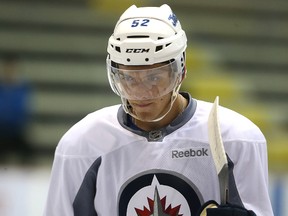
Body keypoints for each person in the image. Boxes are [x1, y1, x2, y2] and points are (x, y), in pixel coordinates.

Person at [43, 4, 274, 216]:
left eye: (154, 77)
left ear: (181, 71)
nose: (141, 92)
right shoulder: (81, 144)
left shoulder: (236, 137)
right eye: (128, 78)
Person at [0, 55, 32, 161]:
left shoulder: (22, 88)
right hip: (2, 131)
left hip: (17, 131)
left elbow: (23, 110)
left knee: (28, 152)